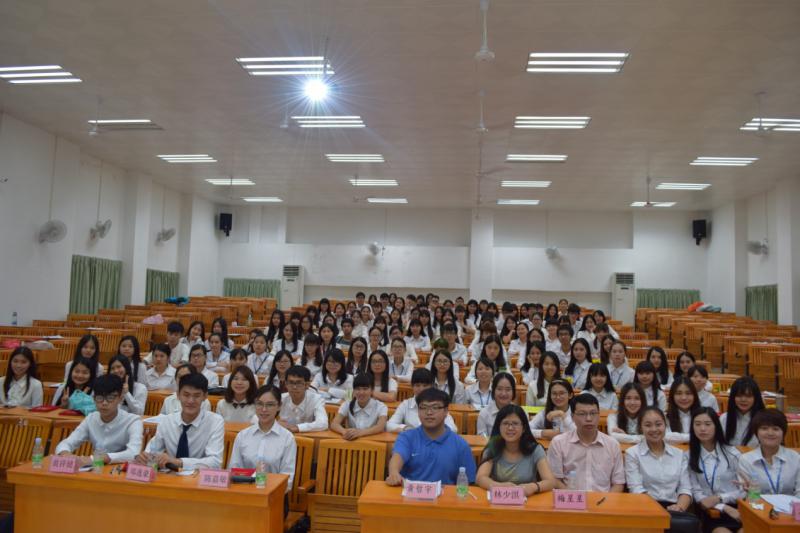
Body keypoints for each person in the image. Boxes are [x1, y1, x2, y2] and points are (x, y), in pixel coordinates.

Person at [624, 407, 700, 533]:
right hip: (646, 510)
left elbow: (685, 488)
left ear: (665, 425)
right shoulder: (632, 454)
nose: (654, 429)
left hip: (674, 511)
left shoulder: (679, 454)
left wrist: (679, 507)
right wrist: (660, 512)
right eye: (648, 425)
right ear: (641, 428)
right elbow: (636, 489)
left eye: (658, 424)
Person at [385, 388, 477, 486]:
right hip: (410, 493)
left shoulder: (460, 445)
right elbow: (398, 457)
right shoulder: (407, 437)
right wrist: (394, 473)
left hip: (446, 495)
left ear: (446, 411)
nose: (429, 412)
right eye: (423, 407)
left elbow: (469, 483)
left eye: (435, 407)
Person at [138, 373, 225, 470]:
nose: (190, 401)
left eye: (196, 396)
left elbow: (215, 462)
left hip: (199, 477)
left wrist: (179, 462)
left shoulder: (215, 422)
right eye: (186, 395)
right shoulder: (167, 421)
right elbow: (153, 452)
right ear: (178, 395)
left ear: (205, 396)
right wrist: (146, 458)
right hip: (170, 476)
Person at [55, 374, 143, 465]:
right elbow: (66, 443)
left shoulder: (133, 421)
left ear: (120, 398)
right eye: (99, 398)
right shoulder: (91, 418)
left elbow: (133, 453)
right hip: (95, 469)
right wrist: (65, 454)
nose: (104, 403)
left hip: (119, 469)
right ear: (94, 399)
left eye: (110, 398)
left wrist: (98, 458)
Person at [546, 394, 625, 492]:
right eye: (582, 414)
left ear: (599, 415)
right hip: (571, 500)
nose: (588, 419)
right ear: (572, 417)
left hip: (604, 499)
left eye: (593, 413)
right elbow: (555, 480)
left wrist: (606, 500)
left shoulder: (612, 445)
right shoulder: (558, 443)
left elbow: (618, 483)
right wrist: (574, 498)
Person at [476, 404, 557, 496]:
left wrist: (533, 487)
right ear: (499, 427)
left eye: (515, 423)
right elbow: (480, 478)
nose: (510, 428)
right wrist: (499, 486)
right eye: (505, 423)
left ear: (524, 428)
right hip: (499, 499)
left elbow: (550, 482)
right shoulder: (493, 447)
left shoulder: (535, 449)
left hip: (528, 499)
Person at [228, 384, 297, 492]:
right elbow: (234, 471)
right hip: (245, 493)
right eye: (259, 404)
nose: (264, 409)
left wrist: (265, 491)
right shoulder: (243, 436)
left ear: (279, 406)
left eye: (270, 405)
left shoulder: (287, 438)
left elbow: (287, 480)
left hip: (275, 495)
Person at [688, 408, 744, 533]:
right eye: (697, 424)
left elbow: (744, 490)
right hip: (711, 512)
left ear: (716, 426)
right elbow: (697, 494)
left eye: (708, 424)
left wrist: (720, 498)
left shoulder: (732, 454)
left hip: (738, 509)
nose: (702, 429)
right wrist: (724, 507)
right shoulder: (689, 456)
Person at [737, 408, 800, 498]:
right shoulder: (746, 460)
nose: (770, 433)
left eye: (776, 429)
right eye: (764, 428)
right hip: (758, 506)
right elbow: (747, 496)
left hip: (791, 506)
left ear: (783, 433)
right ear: (756, 432)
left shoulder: (795, 458)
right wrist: (750, 492)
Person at [387, 368, 458, 432]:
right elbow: (389, 425)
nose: (421, 389)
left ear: (432, 386)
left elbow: (453, 428)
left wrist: (433, 431)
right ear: (412, 386)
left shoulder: (439, 404)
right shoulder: (406, 404)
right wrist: (407, 428)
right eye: (417, 385)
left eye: (425, 385)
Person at [331, 373, 388, 440]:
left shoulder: (381, 407)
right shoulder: (347, 404)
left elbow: (380, 427)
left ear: (372, 390)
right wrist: (345, 432)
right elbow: (334, 424)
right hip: (352, 442)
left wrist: (360, 433)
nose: (361, 392)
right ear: (353, 390)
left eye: (365, 389)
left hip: (372, 443)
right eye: (357, 389)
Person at [278, 366, 329, 433]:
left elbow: (323, 423)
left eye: (299, 383)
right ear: (286, 384)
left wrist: (298, 428)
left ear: (307, 385)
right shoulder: (280, 399)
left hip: (307, 438)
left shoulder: (316, 399)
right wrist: (276, 423)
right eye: (291, 382)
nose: (294, 387)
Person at [720, 376, 765, 447]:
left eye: (748, 396)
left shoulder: (763, 420)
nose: (743, 400)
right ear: (733, 397)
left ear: (756, 398)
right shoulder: (724, 418)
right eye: (739, 395)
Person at [477, 372, 516, 437]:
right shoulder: (484, 413)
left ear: (513, 391)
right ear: (493, 390)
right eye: (499, 389)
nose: (503, 393)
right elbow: (482, 439)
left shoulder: (522, 413)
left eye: (508, 389)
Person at [666, 376, 701, 443]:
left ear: (695, 395)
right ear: (672, 396)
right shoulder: (665, 417)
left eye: (688, 393)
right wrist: (694, 436)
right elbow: (665, 436)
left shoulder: (703, 416)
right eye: (679, 393)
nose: (684, 398)